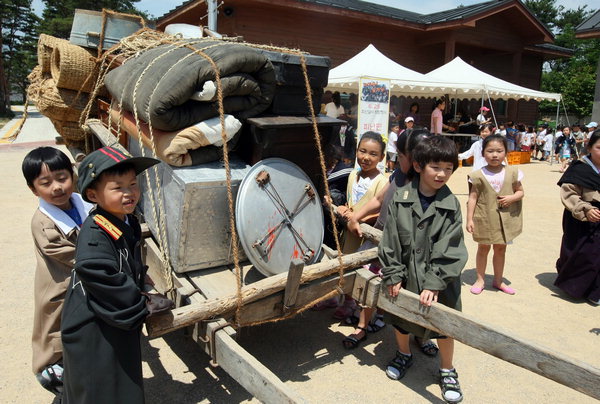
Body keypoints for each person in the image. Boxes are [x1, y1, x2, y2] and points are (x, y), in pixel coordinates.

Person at [60, 146, 172, 403]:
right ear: (92, 194)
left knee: (117, 380)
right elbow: (99, 273)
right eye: (118, 187)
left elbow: (127, 258)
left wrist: (139, 275)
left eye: (133, 184)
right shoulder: (95, 236)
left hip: (109, 318)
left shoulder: (125, 219)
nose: (129, 193)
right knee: (101, 384)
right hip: (94, 324)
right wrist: (142, 303)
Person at [379, 136, 466, 403]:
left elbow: (451, 247)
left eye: (448, 168)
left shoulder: (451, 206)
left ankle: (447, 369)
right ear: (418, 166)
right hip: (404, 275)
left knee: (444, 325)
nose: (442, 174)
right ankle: (404, 353)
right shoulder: (401, 198)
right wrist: (393, 273)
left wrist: (434, 282)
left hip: (441, 283)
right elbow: (390, 238)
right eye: (435, 167)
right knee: (401, 318)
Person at [22, 147, 93, 398]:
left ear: (73, 175)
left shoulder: (85, 204)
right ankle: (49, 369)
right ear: (33, 189)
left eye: (62, 178)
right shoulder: (43, 223)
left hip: (84, 280)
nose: (57, 187)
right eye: (45, 183)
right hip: (59, 284)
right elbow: (73, 256)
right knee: (55, 326)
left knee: (83, 329)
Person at [328, 132, 388, 320]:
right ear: (356, 151)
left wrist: (360, 219)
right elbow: (352, 201)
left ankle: (356, 306)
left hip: (366, 235)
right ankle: (343, 299)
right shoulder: (353, 174)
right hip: (349, 232)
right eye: (362, 151)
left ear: (382, 157)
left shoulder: (383, 182)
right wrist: (345, 208)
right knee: (345, 263)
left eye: (373, 154)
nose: (366, 157)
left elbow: (381, 211)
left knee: (362, 270)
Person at [467, 134, 524, 295]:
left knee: (500, 249)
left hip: (505, 219)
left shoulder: (513, 172)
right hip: (484, 217)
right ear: (483, 153)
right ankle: (480, 279)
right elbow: (472, 197)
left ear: (506, 152)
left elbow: (520, 192)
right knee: (483, 248)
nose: (495, 155)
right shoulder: (477, 175)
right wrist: (469, 219)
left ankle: (498, 280)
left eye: (499, 151)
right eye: (490, 151)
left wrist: (512, 197)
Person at [554, 130, 600, 305]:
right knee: (581, 254)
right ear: (589, 147)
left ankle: (594, 291)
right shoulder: (579, 168)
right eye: (599, 147)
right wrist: (585, 209)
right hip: (580, 219)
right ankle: (575, 286)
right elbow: (569, 194)